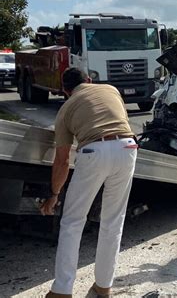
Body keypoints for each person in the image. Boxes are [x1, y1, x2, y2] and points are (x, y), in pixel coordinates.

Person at [40, 68, 138, 298]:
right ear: (89, 80)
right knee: (113, 222)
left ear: (65, 91)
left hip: (94, 150)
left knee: (73, 221)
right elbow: (121, 120)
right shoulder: (111, 90)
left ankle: (62, 291)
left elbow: (62, 161)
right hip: (128, 147)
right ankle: (102, 288)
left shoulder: (65, 108)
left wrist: (54, 194)